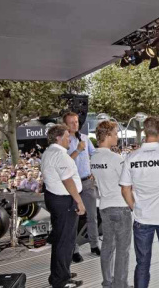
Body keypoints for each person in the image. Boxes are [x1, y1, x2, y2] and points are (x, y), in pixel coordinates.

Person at [120, 117, 159, 288]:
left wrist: (135, 207)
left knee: (142, 264)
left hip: (142, 217)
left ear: (145, 132)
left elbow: (125, 189)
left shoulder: (132, 157)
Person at [90, 120, 133, 288]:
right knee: (123, 249)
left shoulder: (93, 157)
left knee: (107, 246)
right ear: (107, 135)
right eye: (115, 133)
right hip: (120, 207)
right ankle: (120, 284)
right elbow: (126, 184)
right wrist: (133, 204)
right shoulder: (115, 158)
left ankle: (107, 282)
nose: (117, 137)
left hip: (104, 207)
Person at [42, 124, 85, 288]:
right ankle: (61, 280)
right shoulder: (59, 155)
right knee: (65, 241)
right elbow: (67, 180)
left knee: (61, 240)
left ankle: (60, 273)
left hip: (55, 199)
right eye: (67, 137)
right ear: (58, 138)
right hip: (64, 201)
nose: (70, 139)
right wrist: (79, 201)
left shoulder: (49, 152)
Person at [64, 112, 99, 262]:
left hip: (87, 181)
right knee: (74, 218)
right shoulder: (64, 141)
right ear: (65, 125)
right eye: (71, 122)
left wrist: (95, 172)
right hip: (72, 184)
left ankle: (94, 245)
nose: (75, 124)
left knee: (92, 216)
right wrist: (77, 150)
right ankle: (74, 249)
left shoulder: (85, 138)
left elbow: (95, 156)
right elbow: (64, 162)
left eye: (76, 122)